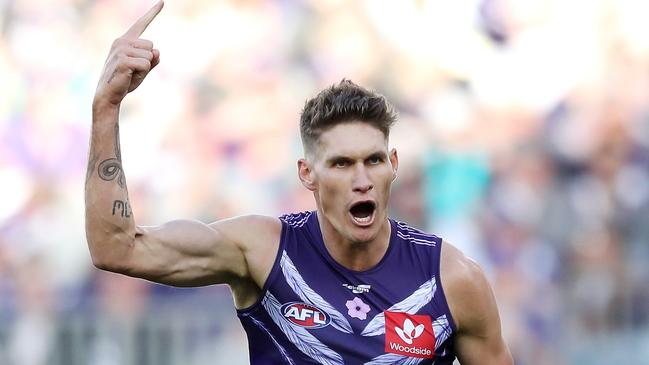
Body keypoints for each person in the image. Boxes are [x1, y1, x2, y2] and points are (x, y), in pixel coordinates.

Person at [85, 2, 513, 364]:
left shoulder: (451, 279)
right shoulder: (263, 250)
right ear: (308, 174)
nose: (362, 180)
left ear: (393, 165)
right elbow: (117, 249)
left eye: (374, 161)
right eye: (342, 164)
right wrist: (106, 107)